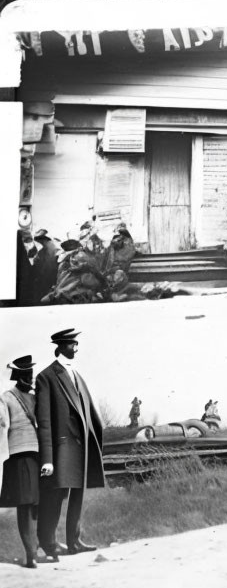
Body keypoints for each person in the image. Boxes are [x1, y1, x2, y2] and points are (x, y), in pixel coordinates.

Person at [36, 328, 105, 559]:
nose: (76, 348)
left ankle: (74, 542)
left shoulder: (77, 375)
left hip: (82, 448)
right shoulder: (46, 376)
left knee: (78, 495)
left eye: (76, 344)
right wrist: (47, 459)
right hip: (61, 450)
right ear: (61, 346)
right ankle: (48, 544)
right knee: (55, 497)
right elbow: (44, 422)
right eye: (72, 344)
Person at [0, 356, 41, 568]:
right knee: (25, 504)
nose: (30, 379)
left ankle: (36, 548)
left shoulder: (34, 398)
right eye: (26, 375)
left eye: (31, 375)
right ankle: (30, 554)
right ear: (18, 376)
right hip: (18, 456)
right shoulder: (6, 398)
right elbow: (1, 426)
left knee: (35, 503)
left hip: (36, 455)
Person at [31, 229, 59, 305]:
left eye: (41, 239)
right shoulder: (42, 252)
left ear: (45, 239)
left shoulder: (52, 248)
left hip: (50, 279)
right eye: (39, 240)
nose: (40, 241)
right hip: (45, 279)